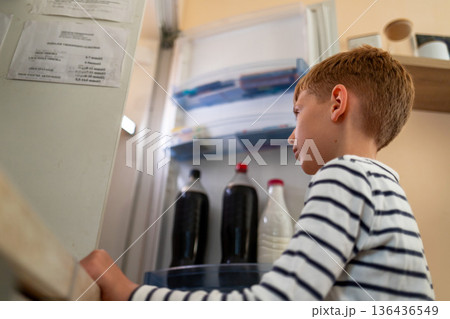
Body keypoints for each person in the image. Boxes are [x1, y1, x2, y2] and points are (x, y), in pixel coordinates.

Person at [81, 46, 434, 301]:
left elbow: (276, 303)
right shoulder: (384, 186)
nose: (293, 135)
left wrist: (130, 294)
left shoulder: (343, 176)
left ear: (338, 104)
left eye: (298, 111)